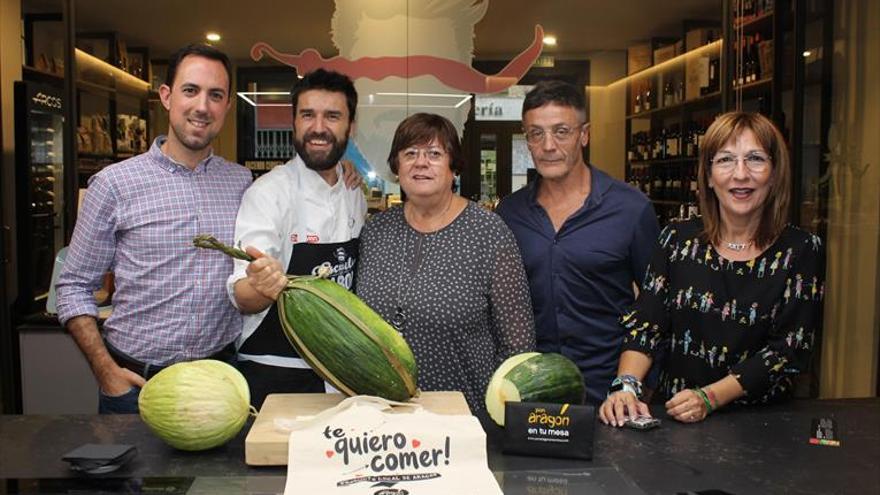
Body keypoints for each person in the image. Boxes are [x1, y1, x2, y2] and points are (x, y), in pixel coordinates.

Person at [55, 44, 252, 414]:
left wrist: (341, 174)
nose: (202, 106)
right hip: (135, 385)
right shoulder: (115, 185)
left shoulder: (242, 183)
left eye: (216, 95)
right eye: (190, 90)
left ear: (226, 107)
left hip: (220, 383)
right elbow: (73, 288)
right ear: (167, 96)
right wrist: (106, 371)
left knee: (218, 476)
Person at [599, 111, 826, 426]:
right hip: (678, 420)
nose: (740, 174)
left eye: (755, 159)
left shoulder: (801, 250)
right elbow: (646, 327)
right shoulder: (676, 239)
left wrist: (710, 397)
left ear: (774, 173)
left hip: (763, 427)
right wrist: (626, 386)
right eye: (725, 160)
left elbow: (788, 350)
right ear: (707, 175)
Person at [356, 113, 535, 412]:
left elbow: (518, 342)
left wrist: (505, 413)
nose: (421, 162)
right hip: (383, 415)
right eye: (410, 153)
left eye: (434, 154)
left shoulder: (489, 232)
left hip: (466, 416)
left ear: (454, 167)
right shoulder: (375, 231)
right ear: (396, 167)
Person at [495, 80, 660, 403]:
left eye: (561, 131)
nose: (548, 145)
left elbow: (655, 307)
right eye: (536, 133)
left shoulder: (631, 209)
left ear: (584, 134)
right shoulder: (509, 214)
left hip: (609, 394)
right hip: (530, 392)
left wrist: (638, 386)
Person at [228, 69, 366, 408]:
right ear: (294, 122)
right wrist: (262, 284)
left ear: (351, 126)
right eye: (308, 115)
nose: (318, 127)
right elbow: (242, 295)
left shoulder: (354, 192)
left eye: (332, 116)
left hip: (340, 367)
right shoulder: (268, 194)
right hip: (274, 371)